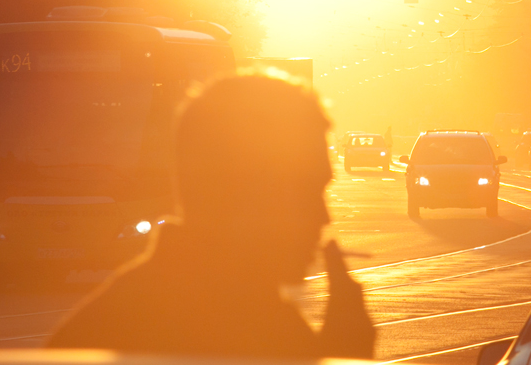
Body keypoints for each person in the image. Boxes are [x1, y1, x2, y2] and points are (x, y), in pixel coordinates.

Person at [47, 72, 375, 359]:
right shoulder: (239, 331)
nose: (324, 217)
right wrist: (343, 356)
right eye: (304, 192)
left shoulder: (128, 310)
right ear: (243, 192)